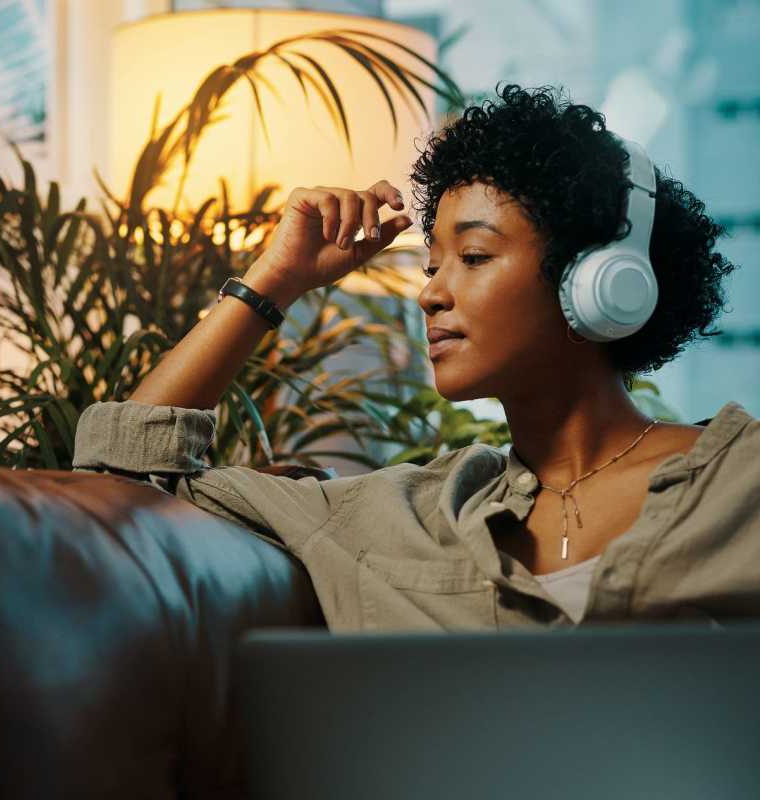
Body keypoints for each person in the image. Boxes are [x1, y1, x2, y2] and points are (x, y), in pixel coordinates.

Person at [73, 84, 759, 631]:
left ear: (603, 282)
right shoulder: (400, 516)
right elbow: (117, 484)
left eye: (474, 256)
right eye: (433, 265)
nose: (431, 293)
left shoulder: (741, 484)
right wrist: (274, 280)